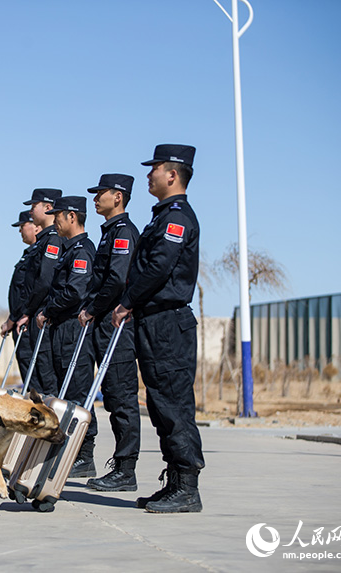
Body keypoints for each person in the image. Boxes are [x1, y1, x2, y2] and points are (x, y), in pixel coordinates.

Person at [111, 144, 204, 513]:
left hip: (169, 323)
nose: (148, 175)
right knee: (160, 405)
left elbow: (159, 268)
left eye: (155, 169)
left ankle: (187, 488)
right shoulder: (162, 216)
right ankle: (175, 483)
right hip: (154, 322)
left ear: (173, 174)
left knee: (174, 405)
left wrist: (127, 301)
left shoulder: (177, 218)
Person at [78, 174, 142, 492]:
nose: (95, 198)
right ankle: (122, 466)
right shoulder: (108, 234)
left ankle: (126, 469)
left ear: (118, 197)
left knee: (121, 397)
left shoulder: (123, 233)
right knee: (113, 399)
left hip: (116, 324)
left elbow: (116, 280)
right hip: (104, 322)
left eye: (100, 193)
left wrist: (92, 308)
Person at [35, 196, 97, 478]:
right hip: (61, 329)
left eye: (58, 215)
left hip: (73, 328)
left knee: (78, 393)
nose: (55, 220)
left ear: (72, 217)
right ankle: (71, 453)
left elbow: (75, 291)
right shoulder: (67, 250)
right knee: (64, 392)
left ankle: (85, 455)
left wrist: (48, 309)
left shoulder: (82, 250)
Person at [15, 188, 63, 396]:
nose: (31, 211)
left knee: (47, 380)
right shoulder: (43, 241)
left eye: (34, 206)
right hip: (36, 315)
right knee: (40, 379)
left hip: (44, 315)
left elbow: (45, 281)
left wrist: (27, 310)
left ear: (48, 208)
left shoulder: (53, 240)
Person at [0, 211, 42, 380]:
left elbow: (28, 292)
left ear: (35, 226)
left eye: (22, 226)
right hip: (21, 322)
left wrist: (14, 318)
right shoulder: (29, 254)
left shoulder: (39, 253)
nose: (20, 231)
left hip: (27, 324)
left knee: (35, 381)